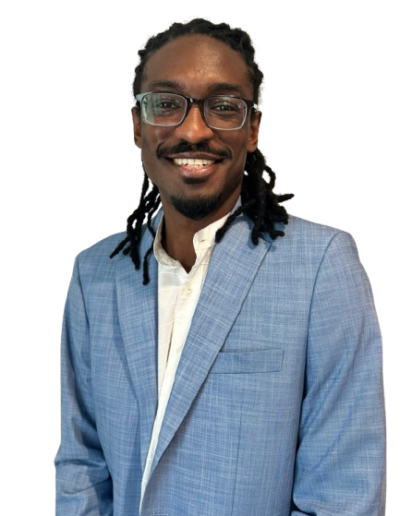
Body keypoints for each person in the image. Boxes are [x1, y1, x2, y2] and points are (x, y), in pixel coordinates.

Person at [54, 15, 387, 516]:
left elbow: (344, 494)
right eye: (167, 103)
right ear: (137, 124)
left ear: (252, 128)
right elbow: (82, 462)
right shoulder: (94, 274)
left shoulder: (322, 267)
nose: (194, 129)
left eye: (223, 106)